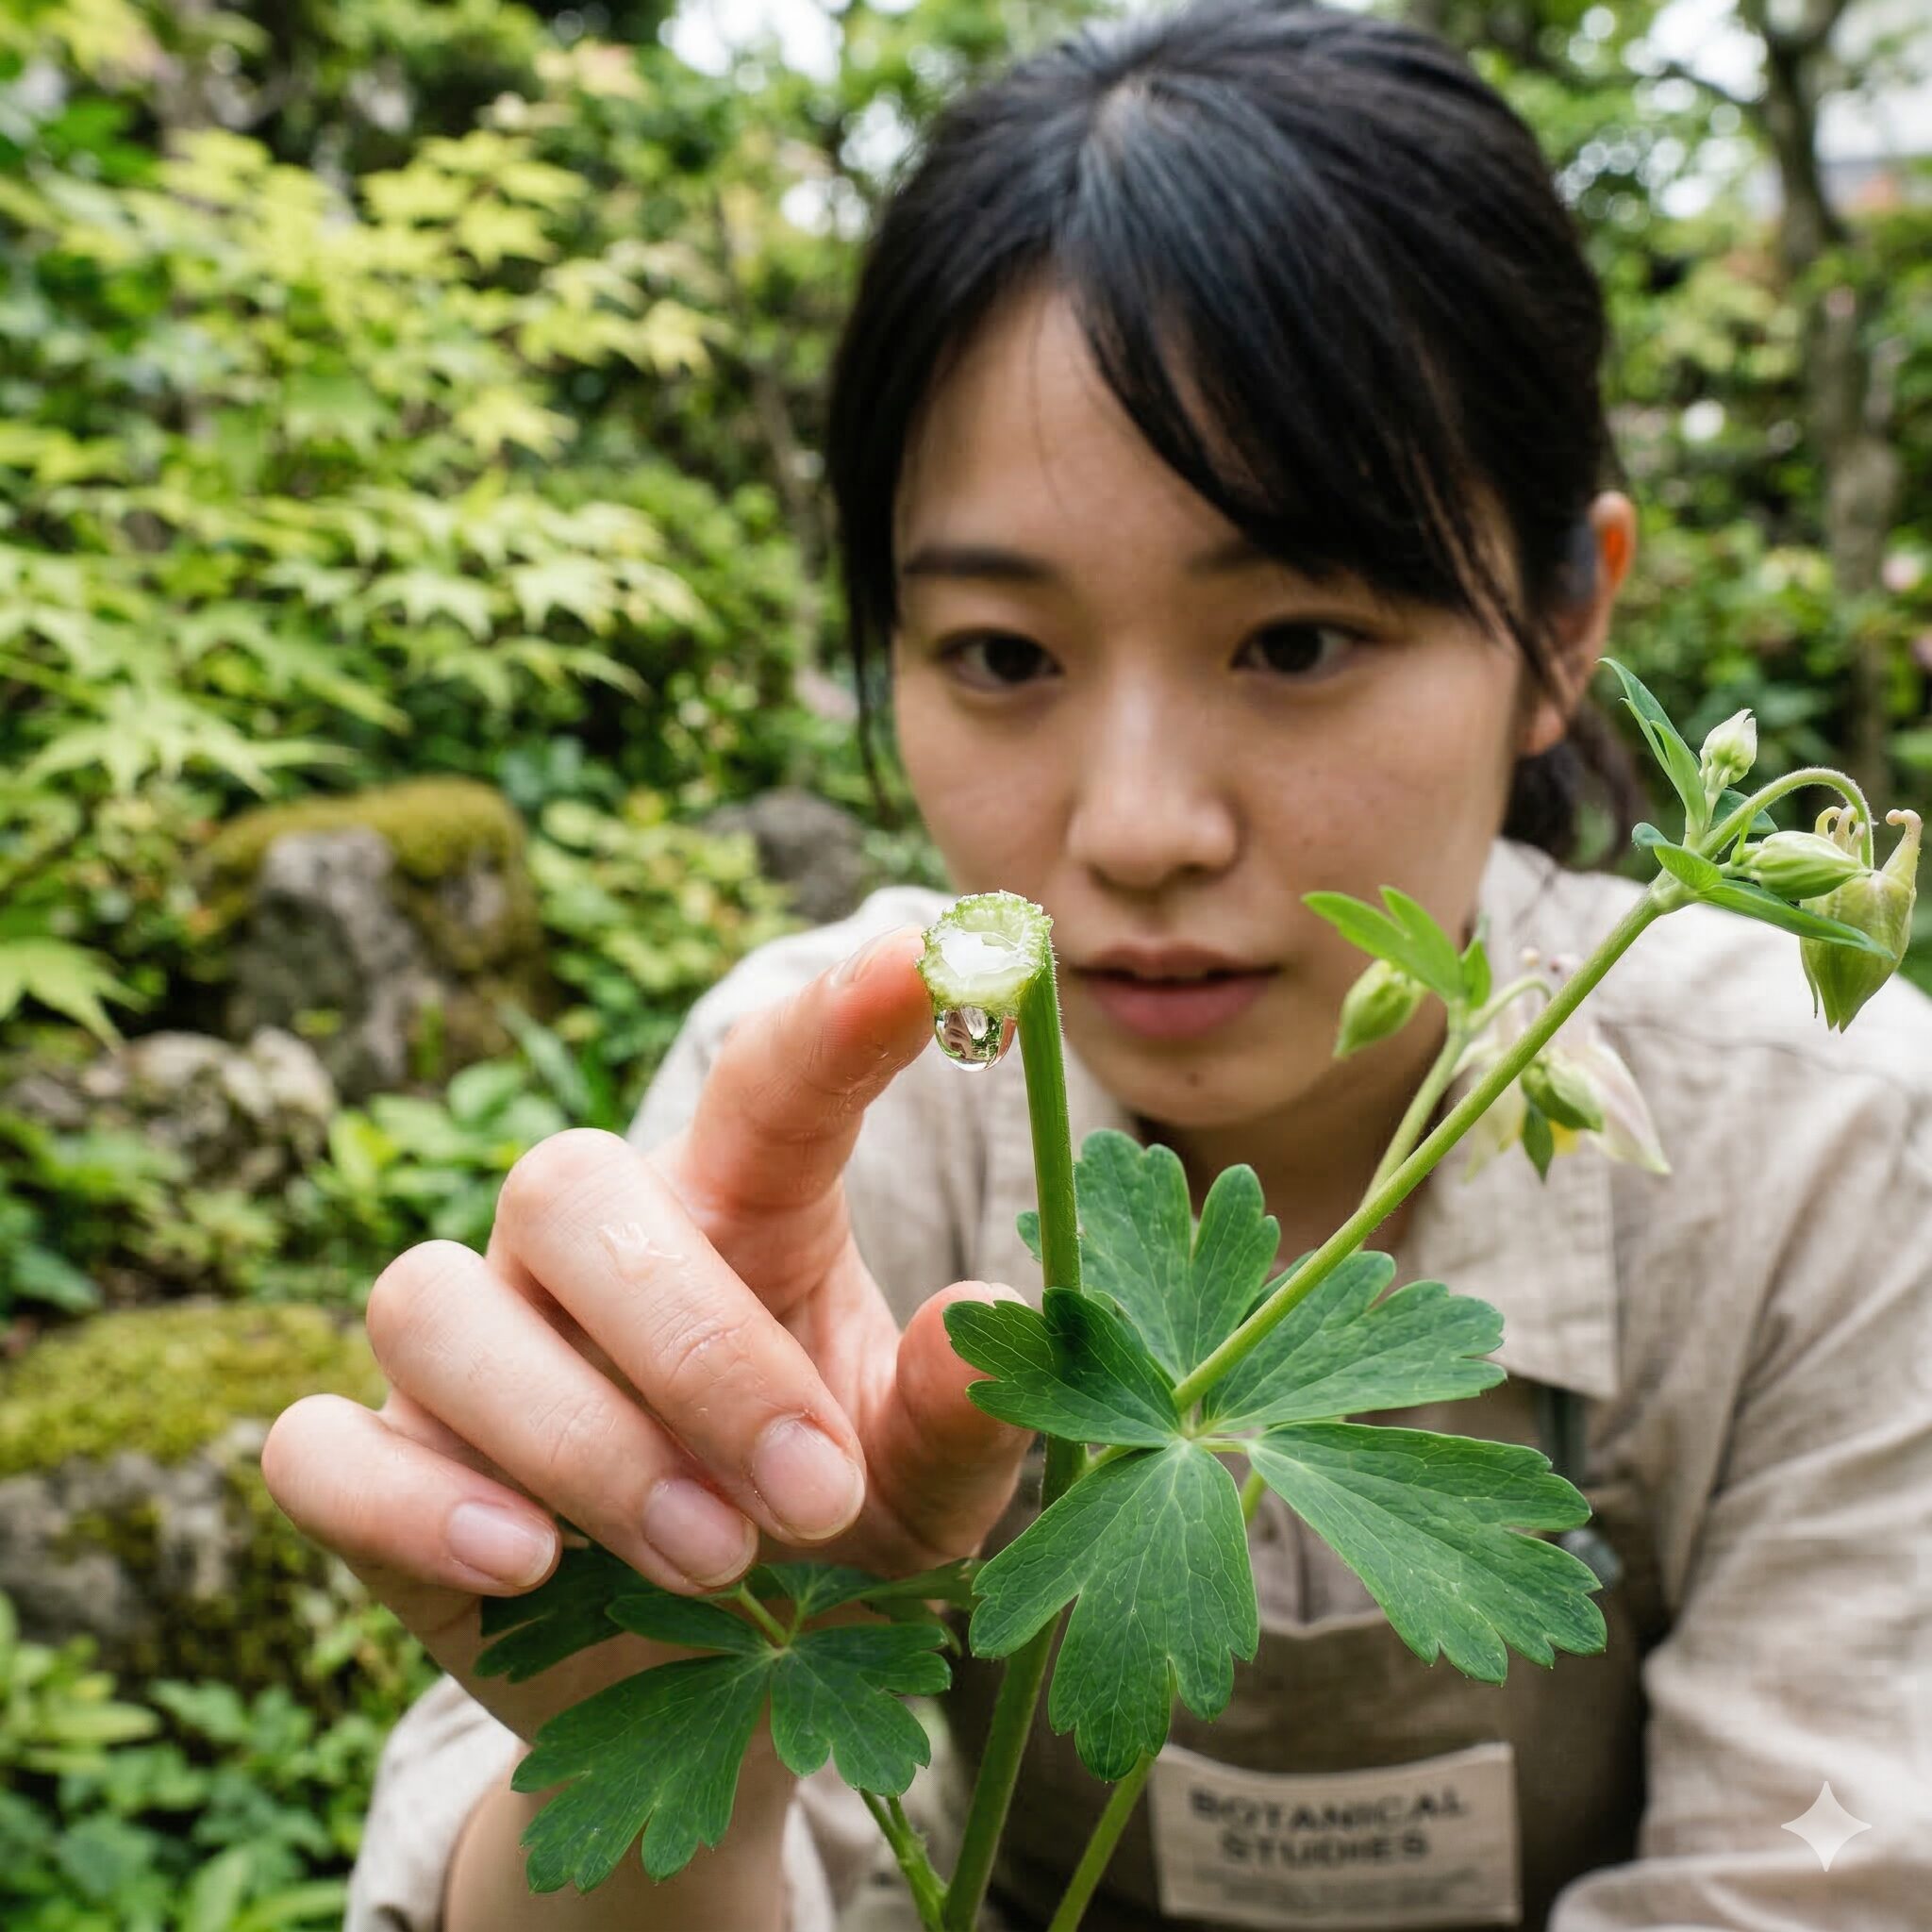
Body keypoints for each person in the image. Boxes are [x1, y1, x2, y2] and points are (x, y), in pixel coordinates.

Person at [261, 3, 1932, 1927]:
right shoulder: (811, 1124)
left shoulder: (1840, 1148)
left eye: (1296, 636)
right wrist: (676, 1733)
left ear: (1566, 624)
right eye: (998, 653)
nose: (1137, 828)